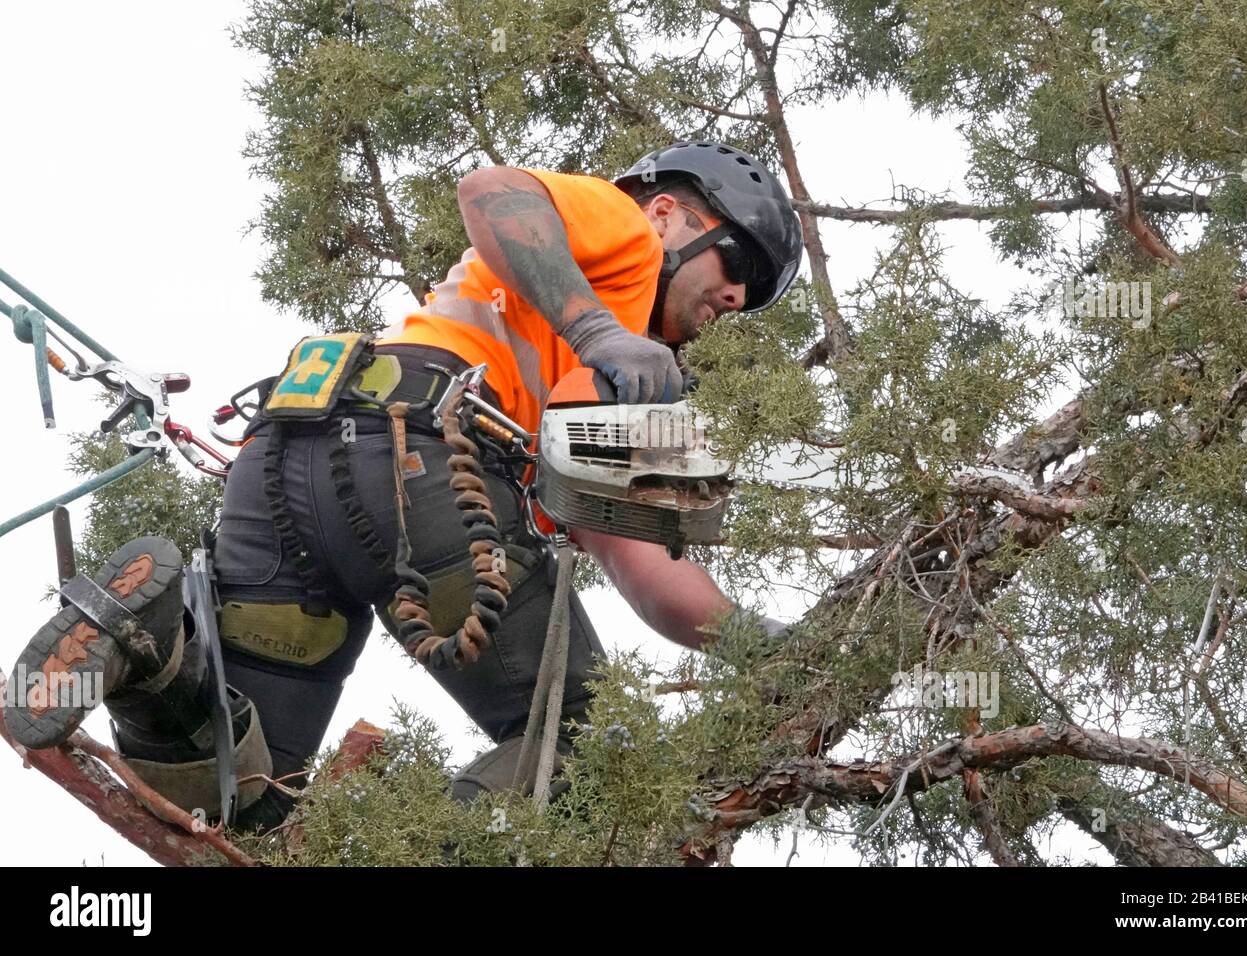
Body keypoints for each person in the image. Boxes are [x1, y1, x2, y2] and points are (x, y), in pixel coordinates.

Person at [4, 141, 804, 830]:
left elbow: (652, 576)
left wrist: (779, 644)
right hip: (418, 462)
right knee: (586, 747)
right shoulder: (624, 236)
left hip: (289, 465)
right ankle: (428, 848)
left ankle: (143, 649)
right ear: (667, 214)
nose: (735, 299)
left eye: (750, 302)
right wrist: (595, 327)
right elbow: (491, 191)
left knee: (241, 793)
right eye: (737, 262)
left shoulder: (613, 383)